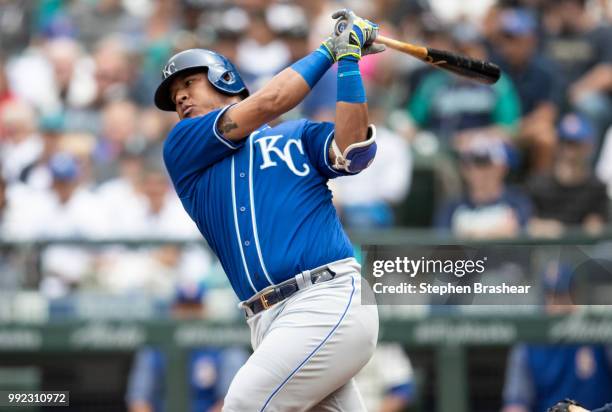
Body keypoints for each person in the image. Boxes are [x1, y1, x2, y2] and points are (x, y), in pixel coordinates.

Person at [154, 8, 382, 411]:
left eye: (189, 83)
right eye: (175, 96)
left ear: (225, 79)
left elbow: (353, 151)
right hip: (266, 322)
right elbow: (270, 101)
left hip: (326, 297)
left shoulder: (297, 136)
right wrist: (332, 49)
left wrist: (347, 61)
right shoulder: (183, 146)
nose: (182, 97)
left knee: (244, 403)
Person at [502, 262, 612, 412]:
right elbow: (517, 401)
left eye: (563, 296)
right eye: (551, 297)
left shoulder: (598, 331)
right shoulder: (530, 339)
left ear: (576, 296)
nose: (557, 305)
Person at [126, 282, 249, 412]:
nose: (190, 313)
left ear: (204, 309)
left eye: (195, 307)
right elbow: (138, 399)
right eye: (184, 307)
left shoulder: (222, 345)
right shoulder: (155, 347)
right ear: (173, 309)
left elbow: (230, 402)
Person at [527, 113, 608, 237]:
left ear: (588, 147)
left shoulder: (596, 187)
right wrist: (542, 226)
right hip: (545, 251)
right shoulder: (538, 183)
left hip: (582, 253)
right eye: (564, 143)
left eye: (576, 145)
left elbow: (597, 227)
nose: (569, 152)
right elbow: (526, 223)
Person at [435, 136, 532, 238]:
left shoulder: (517, 202)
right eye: (475, 164)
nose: (481, 172)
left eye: (487, 165)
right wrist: (495, 232)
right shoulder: (452, 206)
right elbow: (441, 243)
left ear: (503, 168)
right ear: (464, 169)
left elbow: (525, 233)